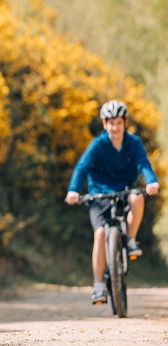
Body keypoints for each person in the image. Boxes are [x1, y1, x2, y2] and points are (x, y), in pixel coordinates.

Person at [65, 100, 160, 305]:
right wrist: (73, 190)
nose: (115, 127)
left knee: (138, 197)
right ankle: (99, 284)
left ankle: (131, 240)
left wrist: (151, 181)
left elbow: (143, 164)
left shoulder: (134, 143)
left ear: (125, 122)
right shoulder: (98, 145)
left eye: (118, 122)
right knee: (100, 234)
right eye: (111, 123)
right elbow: (82, 168)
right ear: (104, 123)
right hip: (99, 195)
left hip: (125, 190)